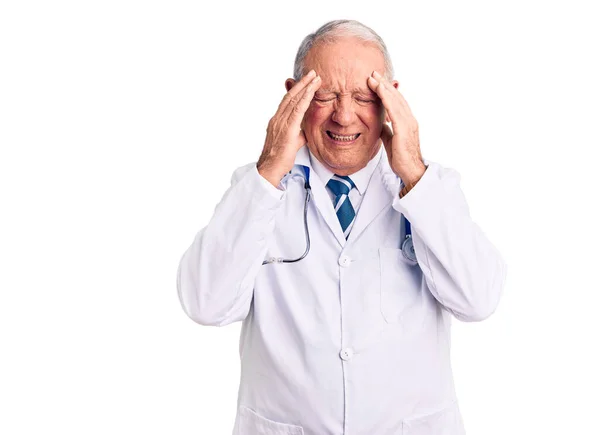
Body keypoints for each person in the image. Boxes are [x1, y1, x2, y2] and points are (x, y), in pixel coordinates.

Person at [177, 19, 507, 435]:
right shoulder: (258, 188)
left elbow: (478, 300)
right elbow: (205, 303)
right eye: (325, 95)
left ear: (391, 100)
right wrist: (267, 173)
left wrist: (415, 177)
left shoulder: (430, 188)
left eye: (364, 96)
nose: (344, 115)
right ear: (292, 96)